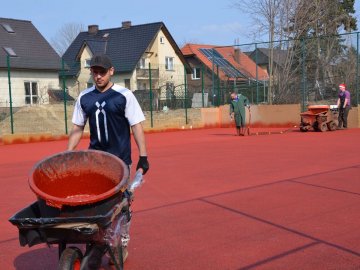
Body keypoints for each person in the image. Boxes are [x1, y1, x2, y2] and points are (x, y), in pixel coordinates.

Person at [67, 54, 149, 269]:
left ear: (111, 71)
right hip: (96, 162)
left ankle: (122, 243)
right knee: (94, 203)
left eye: (102, 71)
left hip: (120, 161)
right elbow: (77, 129)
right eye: (94, 72)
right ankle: (96, 241)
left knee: (121, 205)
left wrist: (143, 155)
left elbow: (136, 126)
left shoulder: (124, 95)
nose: (98, 76)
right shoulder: (84, 97)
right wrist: (67, 153)